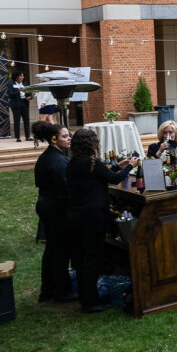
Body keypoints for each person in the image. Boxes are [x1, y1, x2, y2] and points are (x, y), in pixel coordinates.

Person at [66, 128, 137, 312]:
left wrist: (117, 165)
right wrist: (130, 166)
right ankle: (90, 303)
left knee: (82, 259)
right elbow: (113, 180)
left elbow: (101, 176)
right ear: (91, 143)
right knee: (93, 258)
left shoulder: (74, 162)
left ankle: (85, 297)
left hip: (76, 216)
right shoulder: (92, 162)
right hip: (92, 216)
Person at [32, 121, 75, 303]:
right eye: (65, 136)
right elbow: (64, 191)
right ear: (54, 139)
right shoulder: (56, 161)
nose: (69, 139)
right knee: (60, 250)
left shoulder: (49, 156)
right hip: (54, 208)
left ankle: (47, 289)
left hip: (46, 205)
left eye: (69, 135)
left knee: (52, 249)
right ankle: (61, 291)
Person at [8, 70, 32, 142]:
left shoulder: (25, 83)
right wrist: (18, 90)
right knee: (17, 121)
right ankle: (17, 137)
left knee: (26, 120)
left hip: (24, 103)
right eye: (20, 76)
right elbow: (10, 94)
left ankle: (27, 136)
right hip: (16, 104)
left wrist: (30, 97)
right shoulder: (11, 84)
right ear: (16, 77)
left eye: (23, 76)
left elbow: (28, 93)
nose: (22, 77)